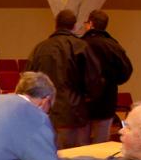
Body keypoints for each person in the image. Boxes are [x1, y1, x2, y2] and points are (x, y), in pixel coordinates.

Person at [27, 9, 103, 149]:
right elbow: (94, 78)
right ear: (74, 26)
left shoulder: (40, 48)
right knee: (75, 159)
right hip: (74, 113)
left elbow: (28, 79)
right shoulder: (81, 47)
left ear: (56, 25)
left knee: (48, 156)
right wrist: (89, 97)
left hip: (46, 112)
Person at [82, 10, 133, 143]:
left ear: (91, 24)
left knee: (78, 148)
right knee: (101, 145)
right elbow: (126, 71)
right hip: (106, 100)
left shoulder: (80, 44)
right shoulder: (114, 45)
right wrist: (111, 82)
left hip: (83, 102)